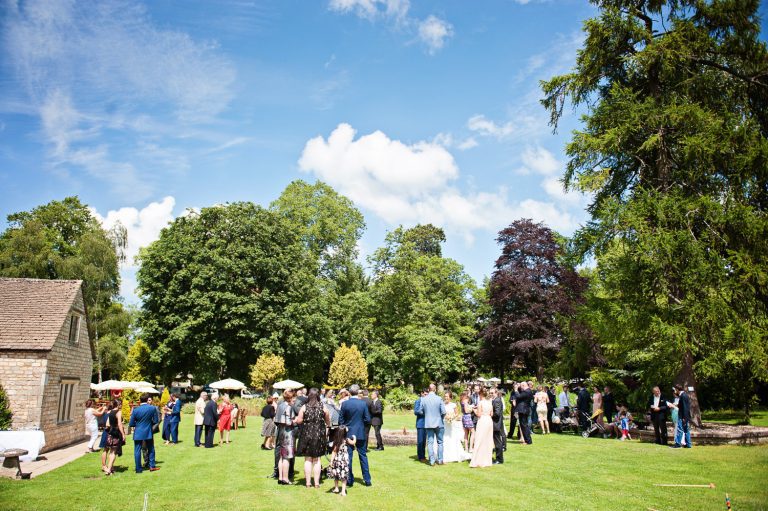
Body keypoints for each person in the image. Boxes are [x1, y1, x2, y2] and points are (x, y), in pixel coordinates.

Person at [295, 388, 331, 488]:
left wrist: (297, 420)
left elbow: (299, 420)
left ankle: (307, 483)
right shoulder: (323, 406)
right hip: (319, 435)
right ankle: (316, 483)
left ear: (309, 395)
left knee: (308, 459)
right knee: (317, 459)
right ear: (318, 395)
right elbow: (328, 419)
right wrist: (327, 425)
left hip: (306, 434)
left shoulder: (304, 407)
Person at [339, 384, 372, 487]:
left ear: (349, 392)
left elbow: (341, 421)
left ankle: (349, 480)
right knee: (363, 456)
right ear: (358, 392)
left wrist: (346, 427)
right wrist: (361, 426)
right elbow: (368, 419)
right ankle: (367, 480)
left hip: (349, 433)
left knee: (348, 457)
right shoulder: (362, 404)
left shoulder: (345, 404)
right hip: (360, 432)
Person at [128, 393, 160, 473]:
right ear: (147, 400)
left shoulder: (135, 410)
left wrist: (138, 425)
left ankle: (138, 469)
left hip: (138, 432)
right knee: (151, 449)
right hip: (148, 431)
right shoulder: (152, 408)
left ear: (140, 400)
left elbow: (131, 424)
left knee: (137, 450)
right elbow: (156, 421)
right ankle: (152, 466)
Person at [421, 383, 446, 466]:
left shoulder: (424, 399)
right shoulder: (439, 399)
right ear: (435, 389)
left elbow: (421, 411)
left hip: (428, 423)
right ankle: (440, 460)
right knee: (440, 442)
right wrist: (440, 417)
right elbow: (443, 412)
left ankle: (431, 461)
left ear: (428, 389)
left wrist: (427, 414)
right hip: (439, 423)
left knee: (430, 442)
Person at [276, 390, 297, 485]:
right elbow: (289, 422)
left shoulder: (279, 406)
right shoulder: (289, 407)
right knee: (286, 457)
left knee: (281, 456)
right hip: (288, 433)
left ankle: (280, 477)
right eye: (293, 397)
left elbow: (276, 420)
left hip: (280, 431)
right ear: (290, 398)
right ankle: (285, 478)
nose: (294, 399)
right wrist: (296, 421)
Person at [327, 426, 356, 496]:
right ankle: (343, 491)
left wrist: (331, 461)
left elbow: (334, 452)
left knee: (336, 475)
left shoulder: (336, 442)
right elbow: (353, 442)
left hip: (337, 460)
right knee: (344, 476)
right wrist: (354, 437)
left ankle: (336, 488)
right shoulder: (347, 440)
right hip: (344, 461)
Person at [442, 391, 469, 463]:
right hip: (444, 423)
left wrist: (452, 417)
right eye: (445, 396)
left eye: (447, 396)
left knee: (452, 438)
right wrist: (446, 417)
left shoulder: (453, 405)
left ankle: (454, 455)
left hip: (451, 424)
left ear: (450, 398)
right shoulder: (442, 404)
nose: (446, 398)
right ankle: (444, 455)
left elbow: (457, 414)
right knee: (444, 438)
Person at [469, 387, 493, 468]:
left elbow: (478, 414)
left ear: (481, 394)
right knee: (487, 440)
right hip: (489, 421)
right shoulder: (490, 402)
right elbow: (491, 414)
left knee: (479, 439)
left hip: (482, 421)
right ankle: (487, 459)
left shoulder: (480, 403)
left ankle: (478, 459)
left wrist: (473, 410)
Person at [103, 399, 125, 475]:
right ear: (118, 404)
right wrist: (123, 434)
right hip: (116, 433)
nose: (121, 405)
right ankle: (109, 469)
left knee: (111, 451)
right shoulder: (118, 412)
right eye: (121, 404)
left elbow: (109, 423)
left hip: (110, 433)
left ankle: (110, 468)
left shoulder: (111, 411)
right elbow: (119, 424)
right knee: (113, 452)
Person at [671, 384, 692, 449]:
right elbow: (682, 406)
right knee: (686, 430)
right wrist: (676, 404)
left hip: (683, 416)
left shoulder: (683, 396)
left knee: (680, 429)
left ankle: (678, 444)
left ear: (677, 389)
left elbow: (686, 408)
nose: (674, 391)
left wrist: (684, 418)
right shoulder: (683, 395)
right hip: (684, 416)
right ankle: (688, 444)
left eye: (675, 390)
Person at [490, 388, 504, 464]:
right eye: (490, 393)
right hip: (495, 424)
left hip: (496, 424)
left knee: (498, 442)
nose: (491, 394)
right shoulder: (495, 400)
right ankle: (498, 458)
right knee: (496, 442)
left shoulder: (497, 400)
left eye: (492, 393)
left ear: (496, 393)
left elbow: (497, 413)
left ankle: (499, 459)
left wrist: (490, 415)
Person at [414, 390, 427, 462]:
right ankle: (420, 456)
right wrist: (423, 411)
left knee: (424, 441)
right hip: (420, 423)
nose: (426, 395)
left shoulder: (428, 401)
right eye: (425, 394)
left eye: (427, 394)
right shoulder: (418, 401)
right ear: (421, 393)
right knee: (420, 441)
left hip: (428, 423)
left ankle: (423, 456)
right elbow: (415, 411)